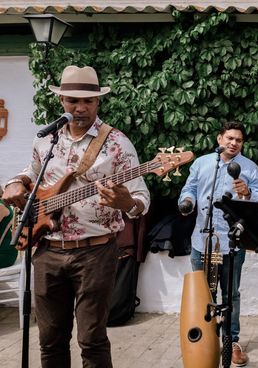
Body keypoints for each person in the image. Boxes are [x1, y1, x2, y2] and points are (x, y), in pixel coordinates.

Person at [1, 65, 150, 368]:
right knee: (50, 340)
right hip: (46, 248)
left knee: (92, 339)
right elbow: (30, 174)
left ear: (98, 102)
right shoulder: (46, 139)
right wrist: (14, 182)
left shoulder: (117, 143)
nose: (80, 107)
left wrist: (125, 202)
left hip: (95, 252)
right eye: (73, 100)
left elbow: (141, 200)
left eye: (88, 101)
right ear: (62, 102)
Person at [178, 121, 258, 367]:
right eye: (229, 138)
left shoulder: (250, 169)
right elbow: (190, 188)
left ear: (242, 144)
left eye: (238, 140)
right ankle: (204, 340)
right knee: (202, 294)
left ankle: (231, 342)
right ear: (219, 139)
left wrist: (247, 193)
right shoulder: (202, 163)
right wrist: (186, 201)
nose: (233, 143)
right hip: (201, 241)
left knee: (231, 295)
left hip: (231, 243)